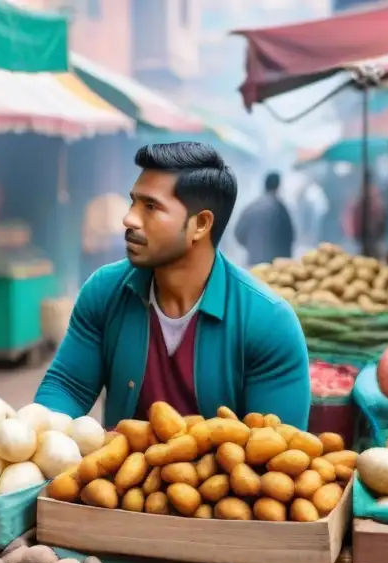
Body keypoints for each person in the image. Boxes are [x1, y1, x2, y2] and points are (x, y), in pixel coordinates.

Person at [34, 142, 310, 428]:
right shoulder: (105, 290)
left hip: (224, 475)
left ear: (201, 224)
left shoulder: (268, 322)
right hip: (119, 472)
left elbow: (278, 451)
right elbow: (68, 386)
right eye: (134, 202)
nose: (129, 218)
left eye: (151, 207)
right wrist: (36, 439)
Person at [233, 171, 295, 265]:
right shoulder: (279, 208)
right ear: (278, 186)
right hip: (275, 265)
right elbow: (289, 236)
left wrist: (252, 246)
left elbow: (239, 234)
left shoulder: (251, 207)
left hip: (254, 263)